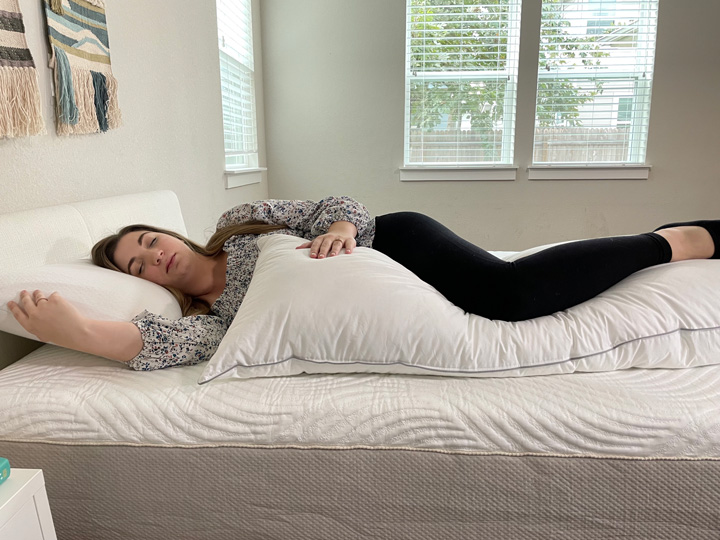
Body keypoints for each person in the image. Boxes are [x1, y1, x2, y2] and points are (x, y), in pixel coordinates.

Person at [7, 196, 720, 371]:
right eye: (133, 266)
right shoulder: (218, 318)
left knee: (511, 295)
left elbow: (327, 206)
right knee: (511, 293)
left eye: (147, 240)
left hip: (397, 239)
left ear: (169, 233)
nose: (151, 258)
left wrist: (344, 227)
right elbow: (158, 344)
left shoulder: (236, 222)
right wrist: (83, 333)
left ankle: (676, 239)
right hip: (392, 289)